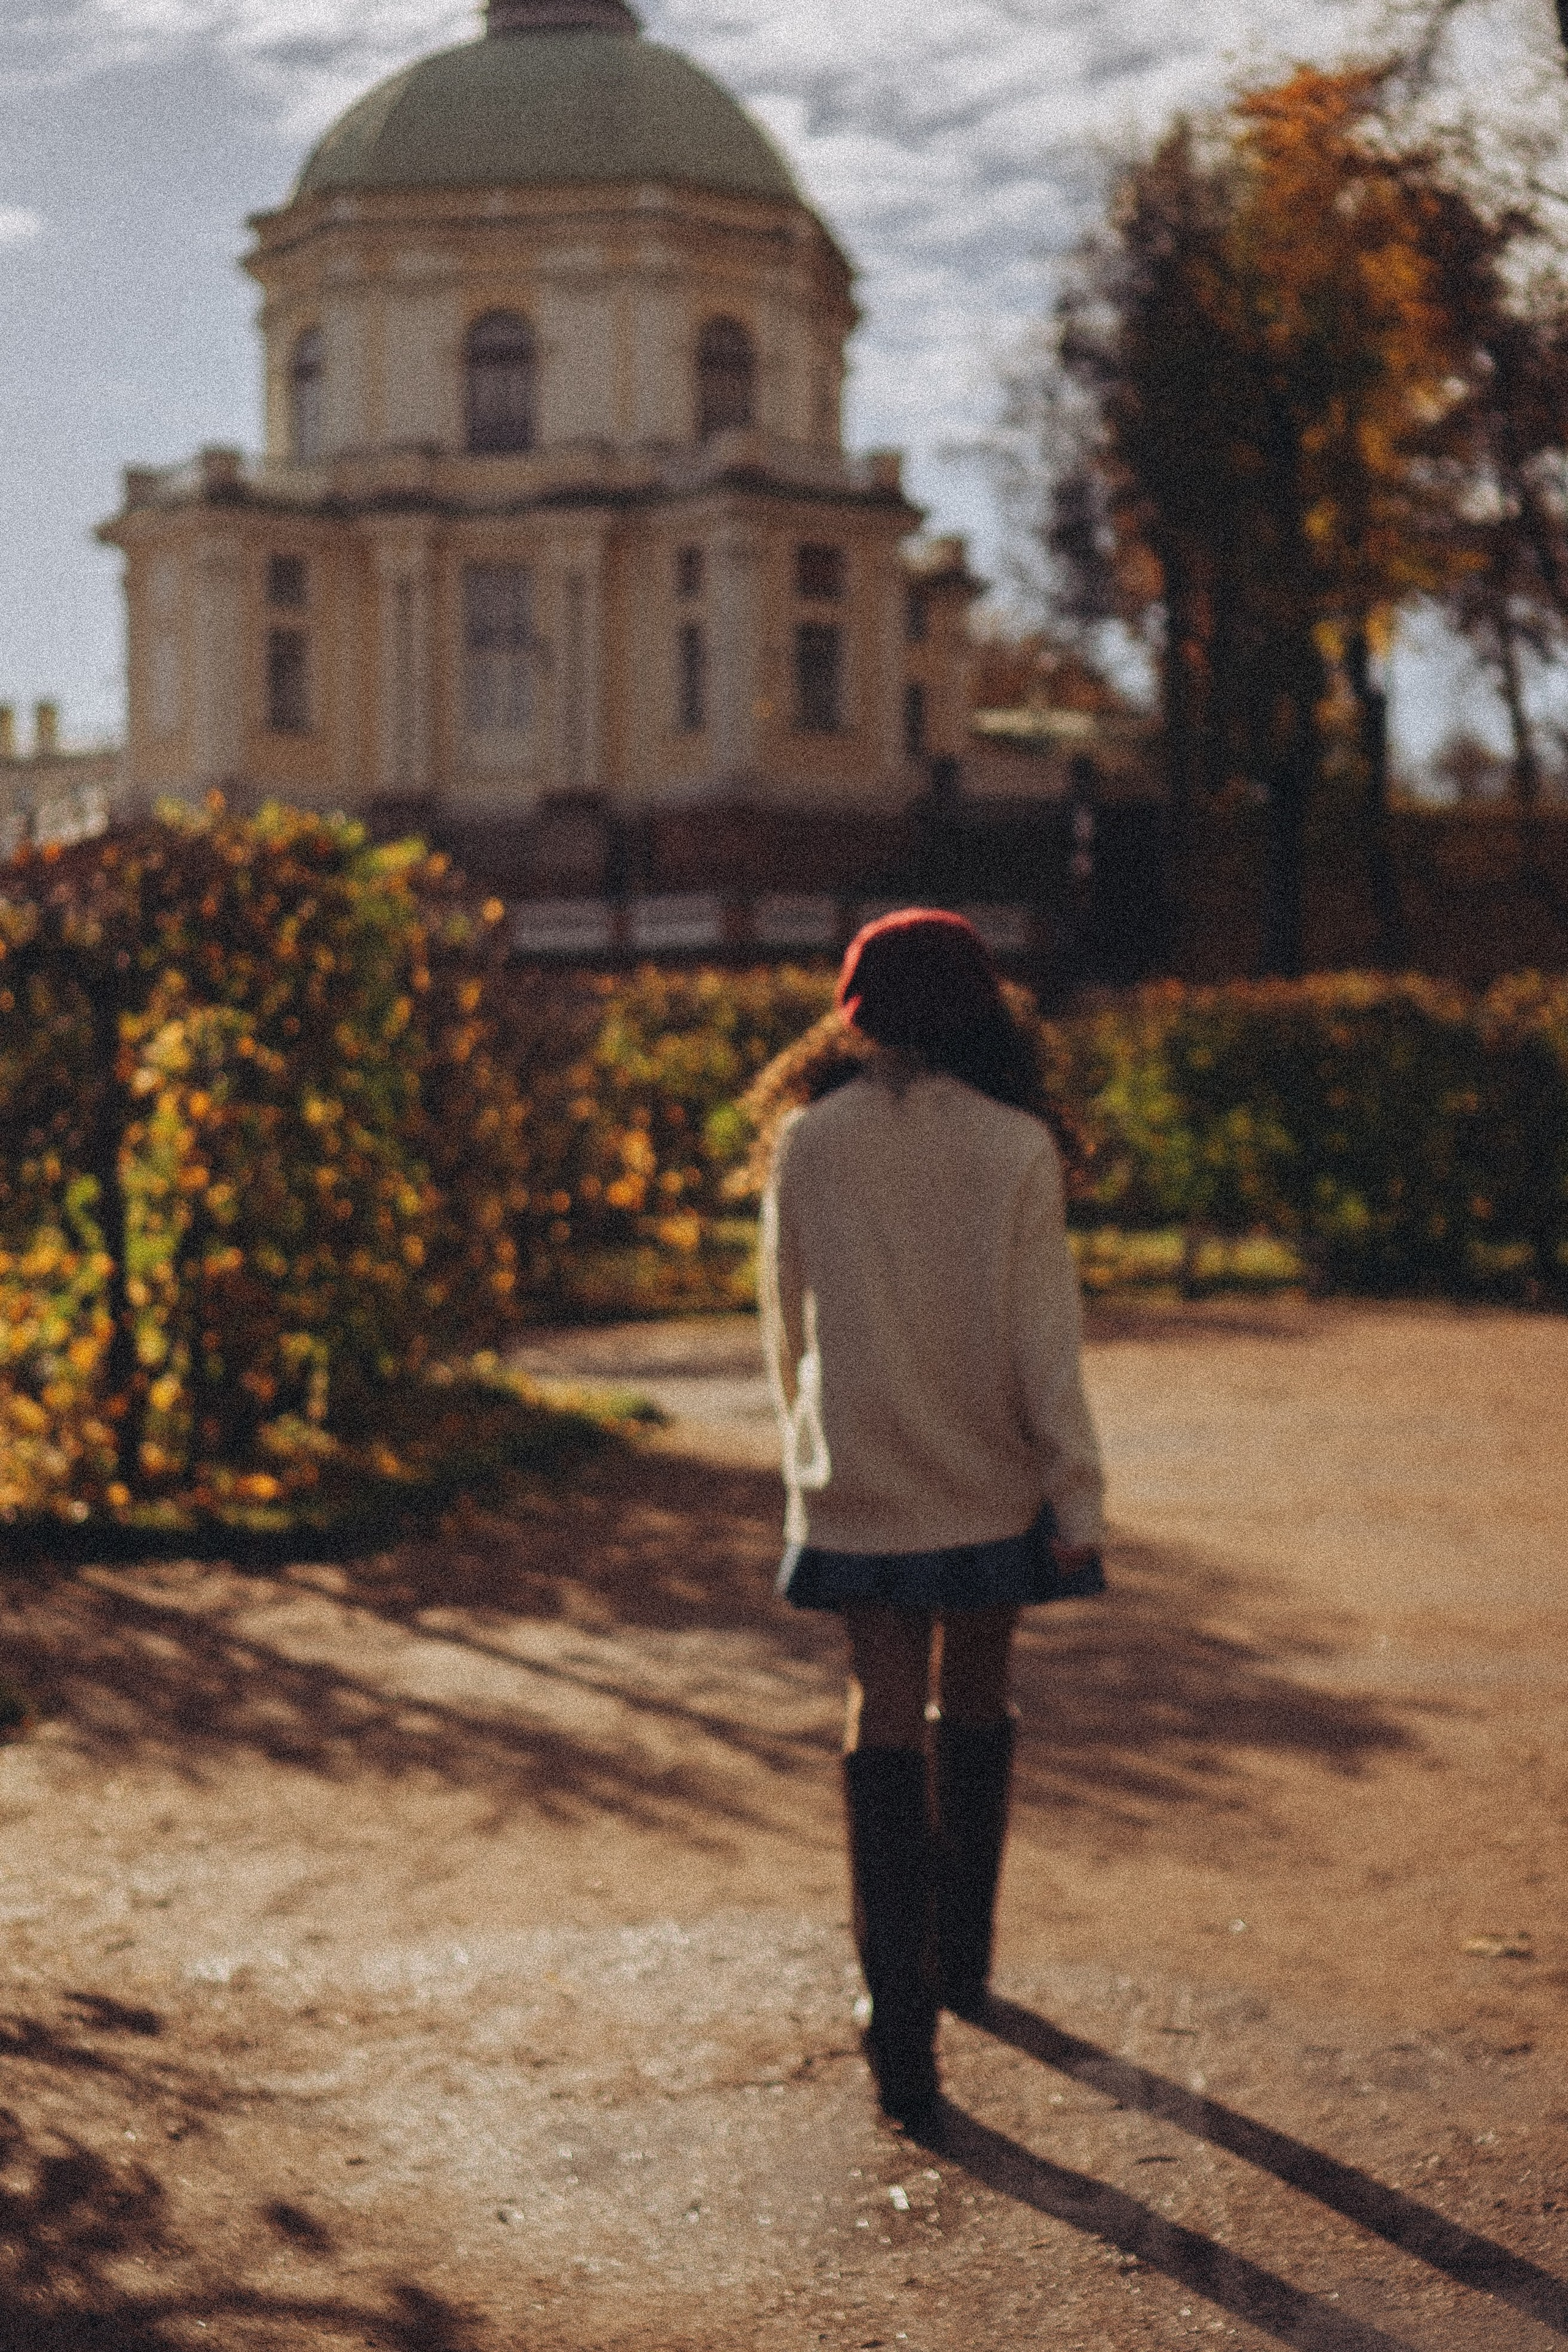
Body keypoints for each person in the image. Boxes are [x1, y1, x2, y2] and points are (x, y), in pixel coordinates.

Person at [754, 908, 1106, 2133]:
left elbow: (785, 1331)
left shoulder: (806, 1144)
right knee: (980, 1701)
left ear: (851, 1014)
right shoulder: (1016, 1147)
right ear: (979, 1014)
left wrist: (813, 1458)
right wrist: (1075, 1493)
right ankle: (963, 1961)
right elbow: (1040, 1345)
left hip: (860, 1488)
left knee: (882, 1718)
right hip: (990, 1481)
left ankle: (896, 2027)